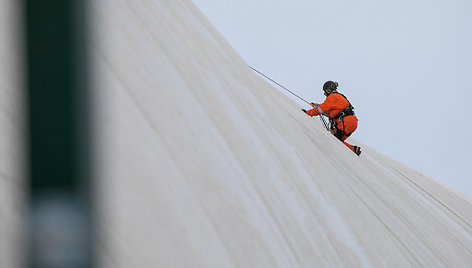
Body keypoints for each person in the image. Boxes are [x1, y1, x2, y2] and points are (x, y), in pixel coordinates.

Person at [302, 81, 361, 156]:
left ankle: (353, 150)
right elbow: (330, 113)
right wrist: (317, 107)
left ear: (329, 90)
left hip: (345, 122)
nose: (324, 93)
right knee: (338, 140)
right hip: (352, 122)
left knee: (334, 140)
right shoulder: (338, 96)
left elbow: (320, 110)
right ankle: (353, 149)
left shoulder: (332, 97)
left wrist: (307, 113)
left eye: (325, 91)